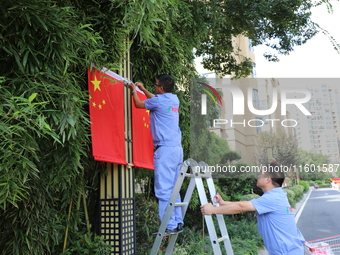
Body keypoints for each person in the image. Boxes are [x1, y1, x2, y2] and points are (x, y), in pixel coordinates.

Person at [200, 168, 305, 255]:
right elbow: (245, 205)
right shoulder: (276, 195)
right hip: (290, 250)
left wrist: (213, 210)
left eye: (261, 174)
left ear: (268, 179)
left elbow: (241, 207)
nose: (258, 176)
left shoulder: (272, 198)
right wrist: (222, 203)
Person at [129, 74, 184, 235]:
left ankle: (169, 225)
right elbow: (156, 100)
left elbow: (139, 104)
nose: (154, 86)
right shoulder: (173, 99)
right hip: (177, 149)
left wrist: (134, 91)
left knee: (164, 189)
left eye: (155, 85)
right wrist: (144, 89)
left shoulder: (159, 101)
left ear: (161, 88)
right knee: (174, 188)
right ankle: (177, 222)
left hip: (165, 149)